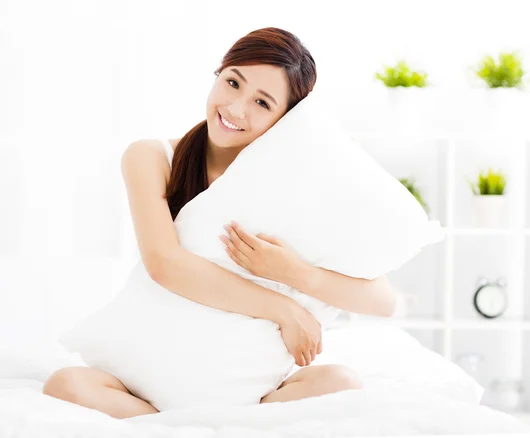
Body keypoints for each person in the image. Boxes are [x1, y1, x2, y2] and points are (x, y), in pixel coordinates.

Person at [42, 27, 397, 419]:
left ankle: (206, 420)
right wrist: (284, 309)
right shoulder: (153, 157)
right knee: (67, 385)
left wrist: (296, 274)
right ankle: (194, 425)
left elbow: (383, 300)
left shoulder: (293, 189)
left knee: (342, 383)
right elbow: (164, 264)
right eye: (232, 83)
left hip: (245, 384)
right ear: (218, 75)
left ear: (286, 120)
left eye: (262, 102)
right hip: (142, 385)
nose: (235, 109)